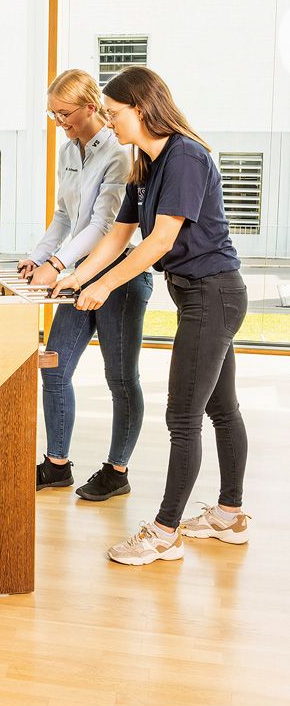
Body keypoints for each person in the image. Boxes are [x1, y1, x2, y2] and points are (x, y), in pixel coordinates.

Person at [52, 66, 250, 565]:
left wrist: (102, 285)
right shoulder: (147, 161)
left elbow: (160, 239)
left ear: (140, 109)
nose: (110, 123)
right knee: (221, 407)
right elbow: (119, 235)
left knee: (183, 416)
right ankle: (230, 515)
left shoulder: (185, 156)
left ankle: (164, 533)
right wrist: (75, 274)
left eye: (115, 114)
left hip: (214, 295)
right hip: (197, 295)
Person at [17, 70, 153, 501]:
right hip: (77, 277)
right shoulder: (68, 151)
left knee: (120, 379)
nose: (59, 122)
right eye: (53, 114)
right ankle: (57, 465)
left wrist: (58, 262)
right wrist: (39, 255)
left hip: (119, 277)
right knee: (55, 368)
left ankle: (117, 471)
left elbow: (105, 225)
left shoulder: (118, 154)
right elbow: (63, 215)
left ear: (90, 107)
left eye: (64, 113)